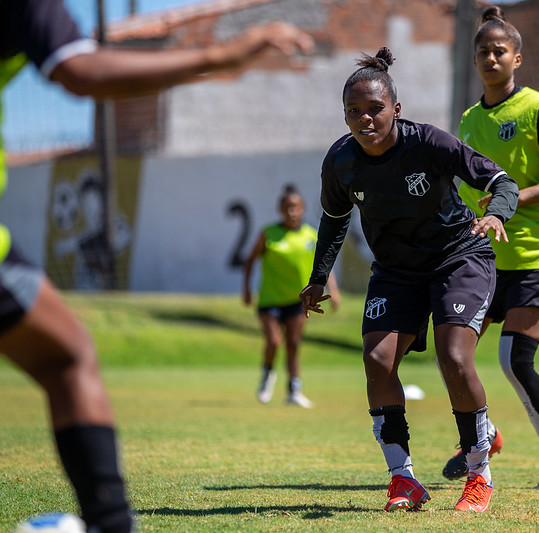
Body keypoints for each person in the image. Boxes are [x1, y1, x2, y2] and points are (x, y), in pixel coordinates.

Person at [0, 2, 313, 531]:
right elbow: (80, 70)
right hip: (268, 298)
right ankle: (112, 522)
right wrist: (218, 56)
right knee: (69, 357)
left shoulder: (304, 232)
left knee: (67, 353)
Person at [299, 47, 519, 513]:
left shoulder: (430, 144)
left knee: (454, 358)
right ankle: (403, 480)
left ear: (395, 109)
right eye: (354, 112)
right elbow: (334, 218)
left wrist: (497, 213)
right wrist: (318, 278)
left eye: (375, 108)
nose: (365, 119)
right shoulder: (340, 162)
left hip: (459, 256)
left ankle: (479, 475)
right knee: (378, 361)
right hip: (397, 272)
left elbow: (501, 181)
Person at [440, 6, 539, 491]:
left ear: (517, 58)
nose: (490, 57)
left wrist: (513, 198)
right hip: (479, 258)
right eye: (482, 51)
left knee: (514, 361)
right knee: (453, 356)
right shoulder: (467, 119)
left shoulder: (537, 108)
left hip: (531, 253)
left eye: (499, 50)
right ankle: (483, 434)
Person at [242, 184, 340, 408]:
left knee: (294, 343)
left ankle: (294, 390)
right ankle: (267, 375)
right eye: (287, 207)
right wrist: (246, 290)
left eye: (295, 207)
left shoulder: (310, 235)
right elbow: (249, 261)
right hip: (270, 299)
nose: (291, 211)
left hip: (298, 301)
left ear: (303, 209)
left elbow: (323, 265)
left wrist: (333, 291)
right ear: (280, 210)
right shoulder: (269, 234)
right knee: (274, 341)